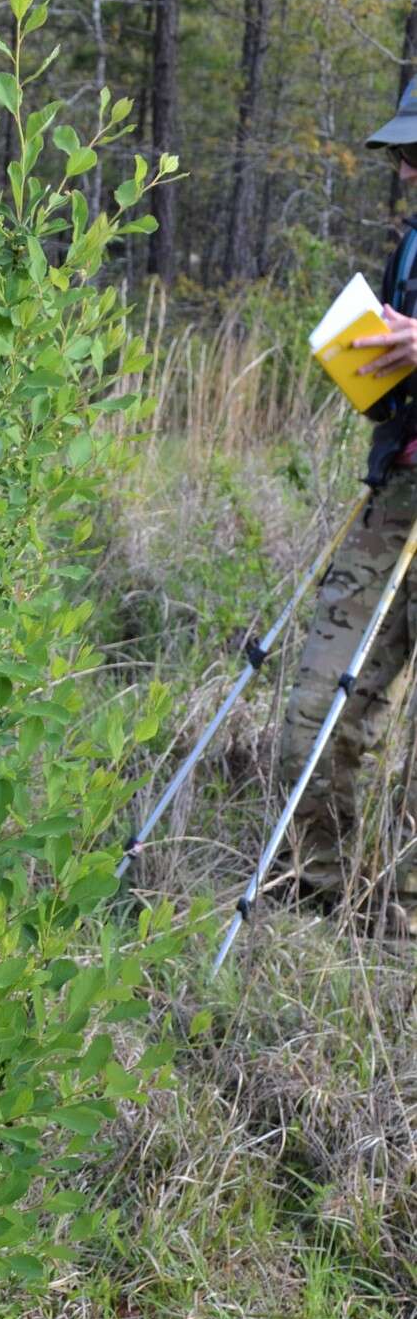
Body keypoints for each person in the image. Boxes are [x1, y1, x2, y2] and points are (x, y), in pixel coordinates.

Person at [279, 78, 417, 934]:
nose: (407, 170)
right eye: (404, 154)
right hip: (397, 495)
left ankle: (404, 914)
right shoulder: (410, 245)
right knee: (321, 705)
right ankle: (323, 894)